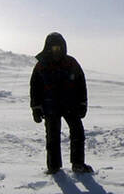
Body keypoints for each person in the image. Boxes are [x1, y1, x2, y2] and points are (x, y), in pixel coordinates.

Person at [30, 32, 93, 174]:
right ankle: (53, 166)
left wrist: (83, 104)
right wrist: (36, 108)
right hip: (50, 106)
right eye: (53, 48)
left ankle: (78, 164)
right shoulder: (41, 65)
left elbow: (81, 84)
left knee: (78, 133)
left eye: (59, 47)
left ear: (64, 47)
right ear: (47, 48)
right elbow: (35, 88)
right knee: (52, 136)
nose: (56, 51)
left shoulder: (71, 63)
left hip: (70, 105)